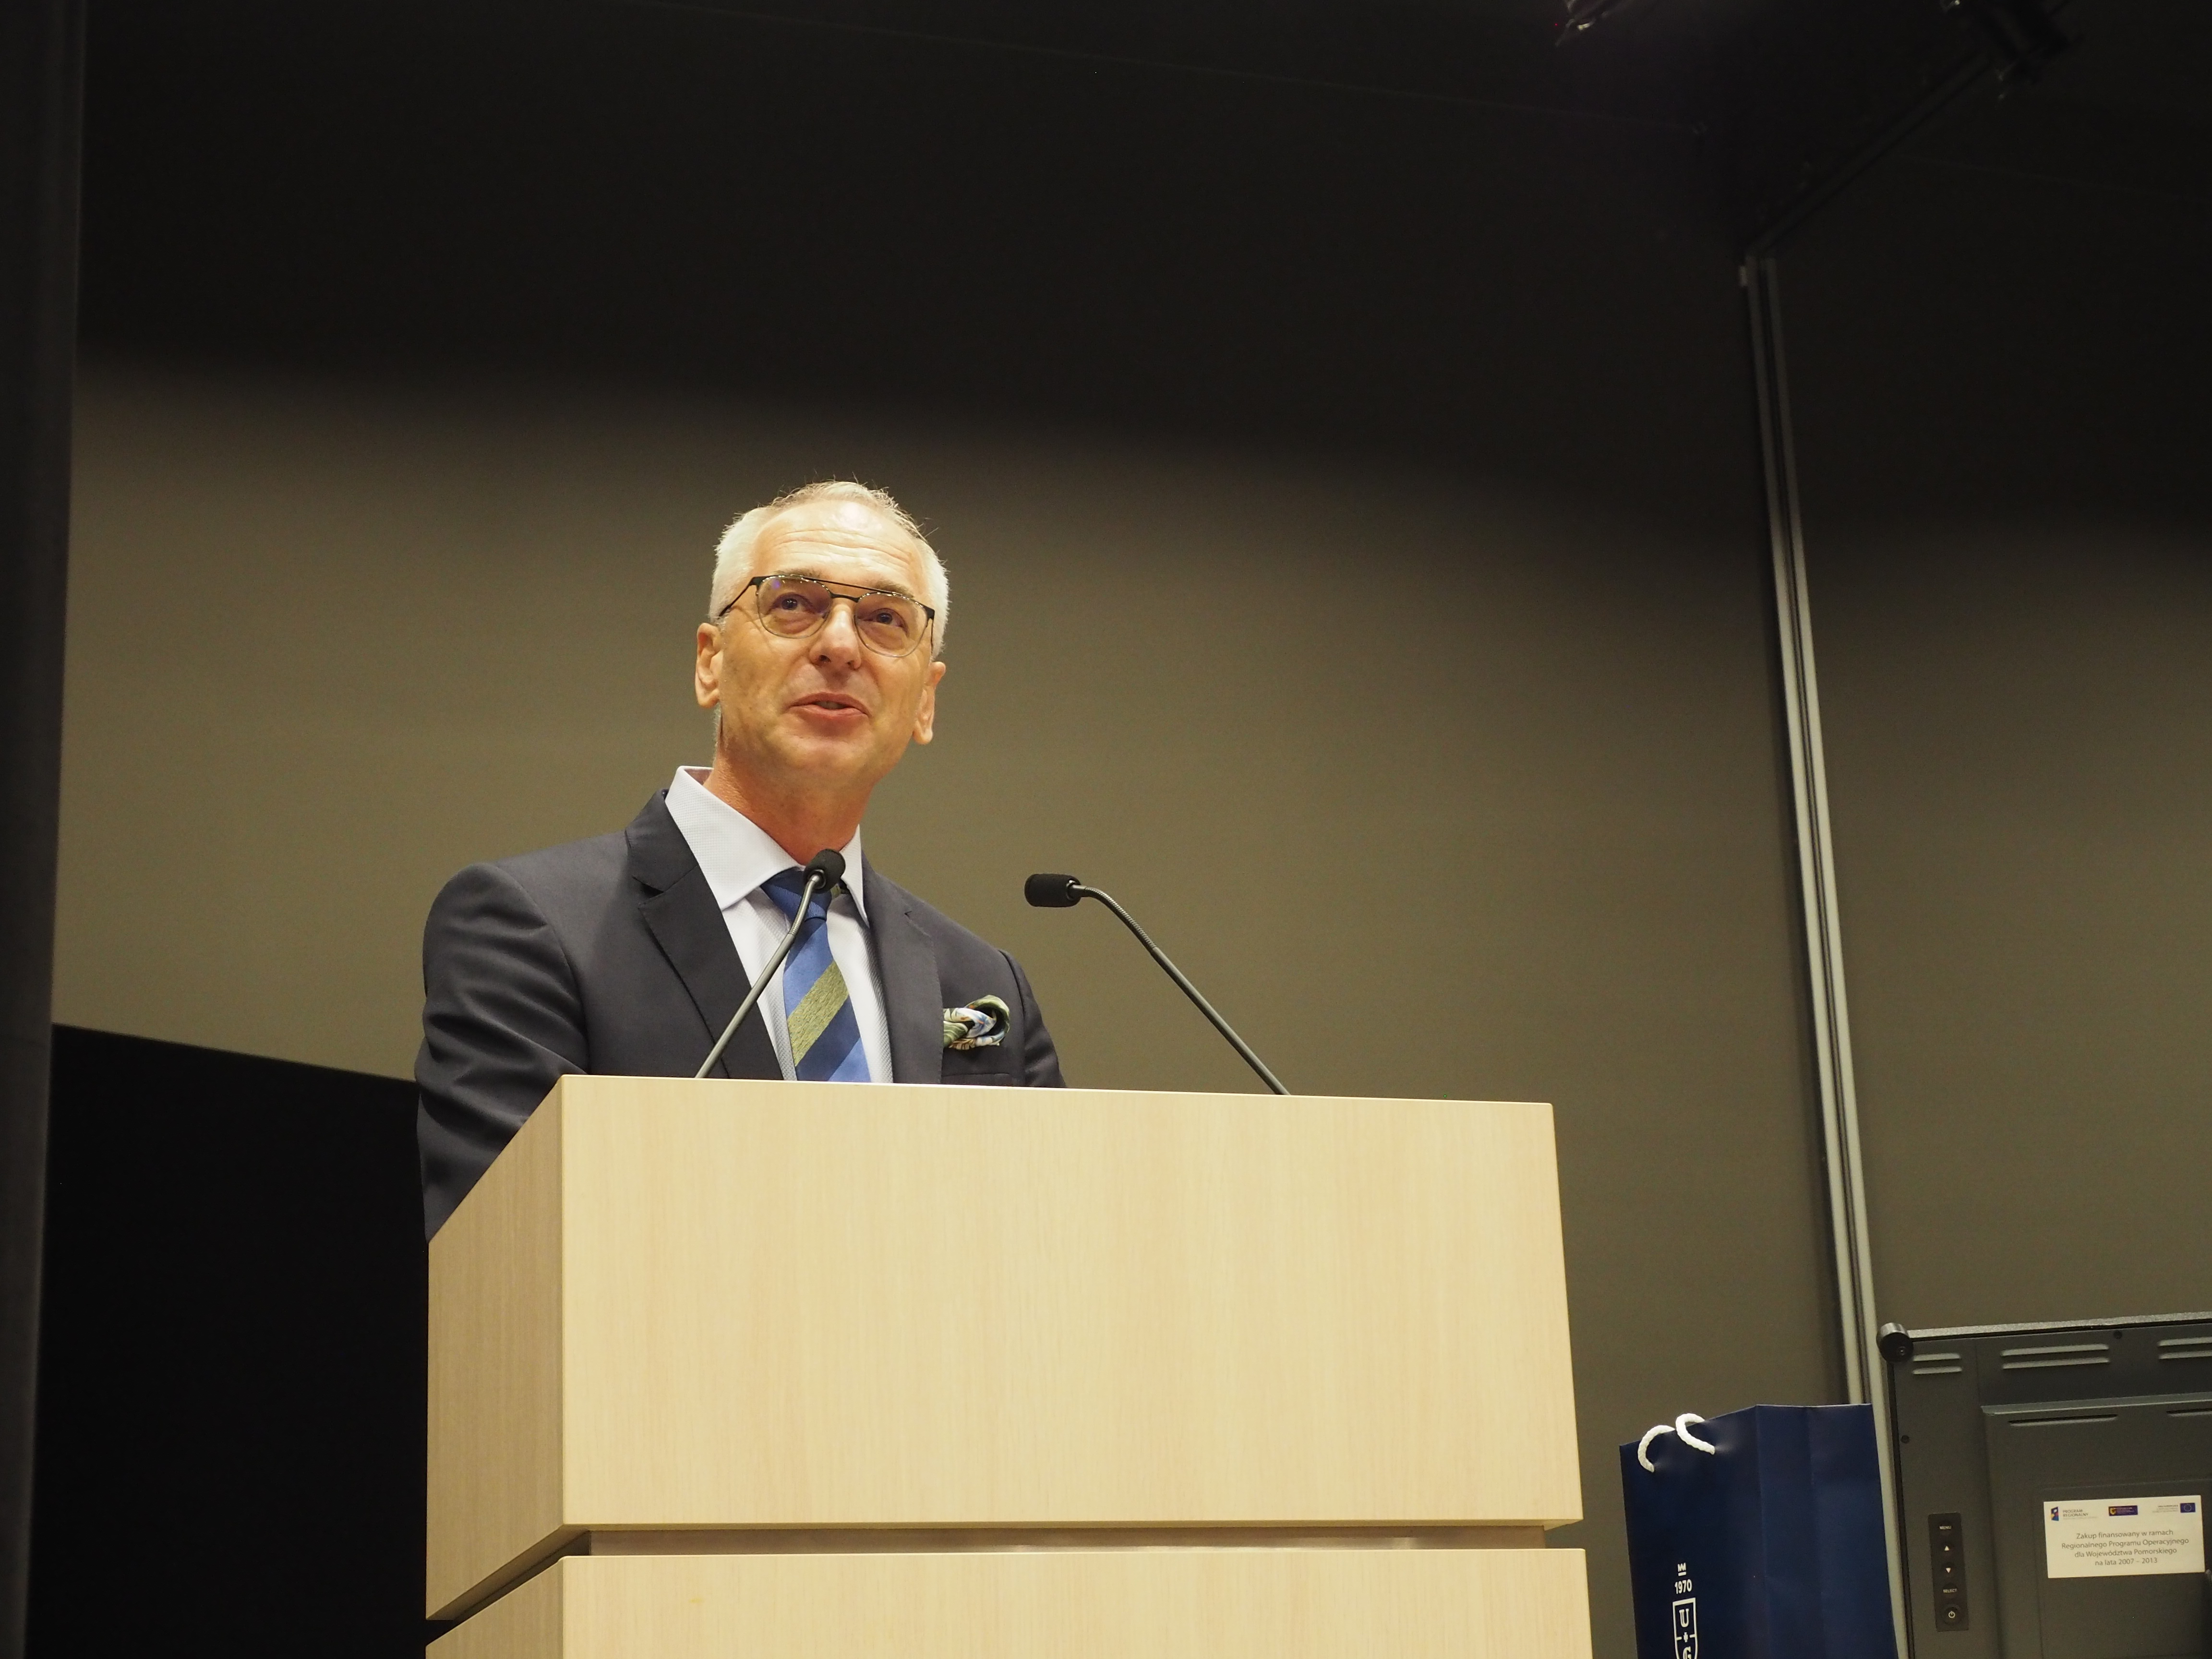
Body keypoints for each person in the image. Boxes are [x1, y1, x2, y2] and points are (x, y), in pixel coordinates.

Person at [416, 481, 1064, 1236]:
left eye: (886, 619)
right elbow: (511, 1249)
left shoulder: (984, 983)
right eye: (794, 604)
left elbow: (1046, 1247)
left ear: (925, 701)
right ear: (711, 662)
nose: (841, 645)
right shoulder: (530, 929)